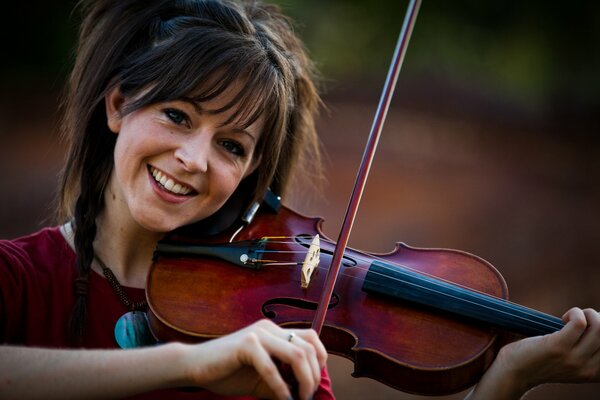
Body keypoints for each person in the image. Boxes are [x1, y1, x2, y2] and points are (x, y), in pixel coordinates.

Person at [0, 1, 598, 399]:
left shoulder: (274, 338)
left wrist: (508, 381)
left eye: (231, 145)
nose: (194, 159)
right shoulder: (21, 279)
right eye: (177, 115)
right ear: (116, 105)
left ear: (252, 170)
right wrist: (189, 363)